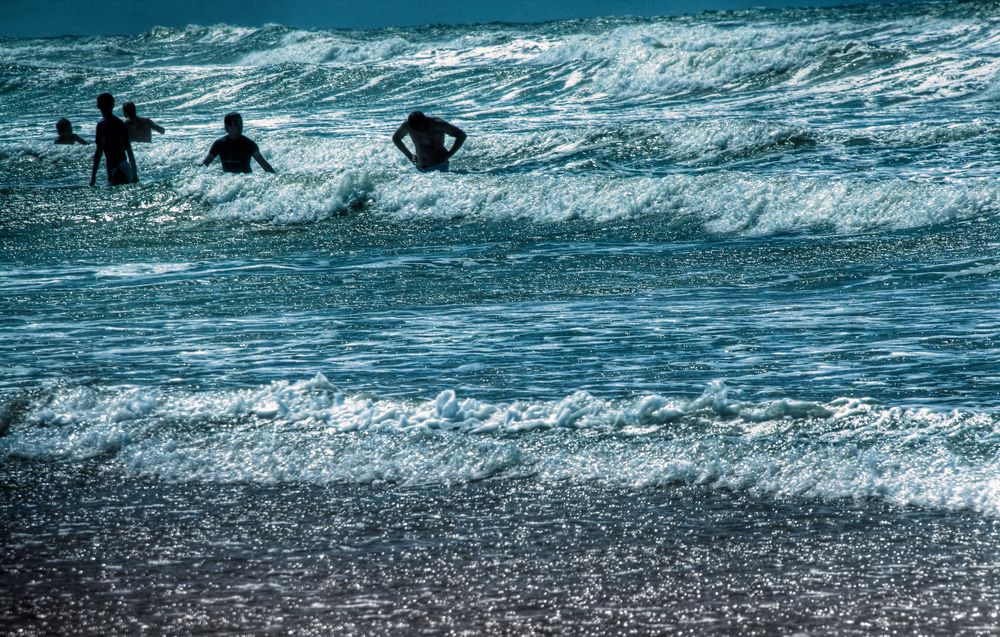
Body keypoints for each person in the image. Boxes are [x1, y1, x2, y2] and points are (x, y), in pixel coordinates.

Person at [90, 92, 139, 187]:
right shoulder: (121, 123)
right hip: (125, 167)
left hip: (116, 169)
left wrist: (93, 177)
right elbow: (129, 150)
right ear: (113, 105)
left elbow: (99, 152)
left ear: (98, 106)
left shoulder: (102, 125)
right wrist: (135, 175)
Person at [202, 112, 276, 174]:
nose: (240, 126)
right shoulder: (219, 144)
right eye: (237, 124)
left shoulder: (249, 144)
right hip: (226, 181)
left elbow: (264, 164)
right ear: (228, 126)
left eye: (241, 123)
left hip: (245, 182)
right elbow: (205, 165)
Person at [392, 111, 466, 172]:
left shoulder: (438, 124)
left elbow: (461, 135)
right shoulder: (408, 125)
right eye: (415, 129)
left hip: (439, 166)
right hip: (419, 167)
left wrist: (449, 155)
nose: (418, 131)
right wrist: (409, 156)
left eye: (420, 128)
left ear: (424, 121)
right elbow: (396, 138)